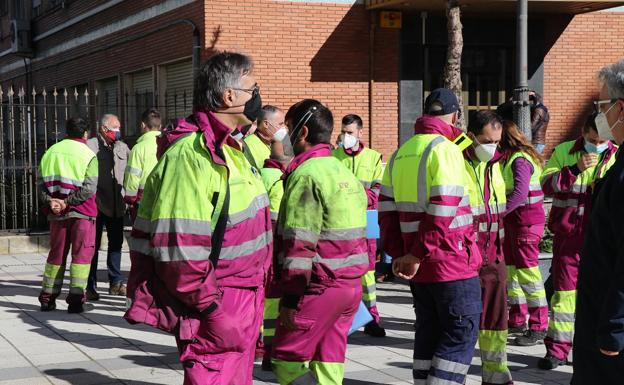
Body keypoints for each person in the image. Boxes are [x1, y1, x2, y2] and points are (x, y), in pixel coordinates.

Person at [124, 52, 271, 385]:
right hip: (218, 300)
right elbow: (180, 250)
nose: (257, 96)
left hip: (244, 297)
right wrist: (213, 310)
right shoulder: (191, 155)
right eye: (252, 87)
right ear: (229, 96)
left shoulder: (232, 148)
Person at [379, 88, 482, 385]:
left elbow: (385, 210)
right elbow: (443, 207)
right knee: (460, 331)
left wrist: (400, 253)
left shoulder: (402, 151)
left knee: (429, 330)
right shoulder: (446, 149)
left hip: (417, 264)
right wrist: (416, 253)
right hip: (450, 261)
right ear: (455, 115)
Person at [271, 99, 369, 385]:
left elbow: (300, 245)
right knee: (329, 363)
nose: (284, 136)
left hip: (319, 287)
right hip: (349, 289)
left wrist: (290, 299)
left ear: (301, 134)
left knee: (286, 361)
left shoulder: (306, 174)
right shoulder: (342, 172)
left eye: (288, 129)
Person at [538, 113, 617, 369]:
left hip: (603, 240)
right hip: (569, 237)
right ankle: (557, 350)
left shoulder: (616, 154)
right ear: (583, 133)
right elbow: (546, 185)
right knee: (563, 296)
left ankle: (598, 350)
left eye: (602, 139)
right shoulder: (564, 151)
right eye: (592, 138)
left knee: (601, 296)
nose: (597, 143)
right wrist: (574, 170)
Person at [572, 59, 624, 384]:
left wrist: (615, 327)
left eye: (600, 104)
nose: (598, 113)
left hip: (610, 333)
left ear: (619, 108)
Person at [464, 111, 512, 385]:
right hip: (467, 259)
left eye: (496, 141)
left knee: (496, 323)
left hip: (494, 256)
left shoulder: (495, 163)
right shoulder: (457, 162)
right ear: (471, 136)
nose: (492, 146)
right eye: (486, 140)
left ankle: (496, 377)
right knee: (464, 324)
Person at [38, 117, 98, 313]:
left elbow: (40, 184)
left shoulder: (50, 152)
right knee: (81, 257)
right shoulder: (89, 155)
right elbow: (89, 189)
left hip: (56, 214)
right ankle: (75, 301)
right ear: (85, 134)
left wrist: (52, 201)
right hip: (82, 213)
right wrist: (68, 202)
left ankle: (47, 299)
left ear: (66, 132)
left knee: (56, 255)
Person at [333, 113, 386, 338]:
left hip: (369, 219)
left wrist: (353, 195)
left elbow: (378, 189)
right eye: (344, 132)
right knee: (343, 268)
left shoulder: (373, 157)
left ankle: (372, 317)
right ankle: (345, 317)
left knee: (369, 271)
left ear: (360, 133)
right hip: (341, 220)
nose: (347, 136)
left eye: (351, 133)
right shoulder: (333, 156)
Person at [499, 121, 547, 346]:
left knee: (529, 275)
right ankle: (517, 319)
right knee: (511, 273)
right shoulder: (511, 159)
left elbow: (519, 193)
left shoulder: (519, 160)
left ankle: (538, 326)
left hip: (525, 223)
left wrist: (499, 214)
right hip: (515, 223)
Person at [86, 114, 129, 300]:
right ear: (104, 129)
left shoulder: (122, 147)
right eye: (115, 128)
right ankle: (90, 285)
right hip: (96, 203)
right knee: (93, 246)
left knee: (116, 244)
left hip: (117, 204)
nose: (118, 131)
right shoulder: (91, 146)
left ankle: (116, 282)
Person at [259, 136, 293, 371]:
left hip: (262, 251)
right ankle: (273, 352)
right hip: (280, 252)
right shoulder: (279, 177)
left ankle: (267, 350)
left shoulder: (261, 173)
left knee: (269, 305)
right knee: (278, 304)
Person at [123, 108, 162, 221]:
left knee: (142, 235)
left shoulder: (138, 148)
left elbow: (132, 177)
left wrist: (130, 200)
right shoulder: (169, 144)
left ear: (142, 125)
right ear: (160, 126)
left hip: (143, 200)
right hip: (165, 197)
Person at [243, 105, 286, 172]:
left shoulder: (277, 143)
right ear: (266, 124)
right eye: (280, 124)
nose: (284, 127)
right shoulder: (247, 145)